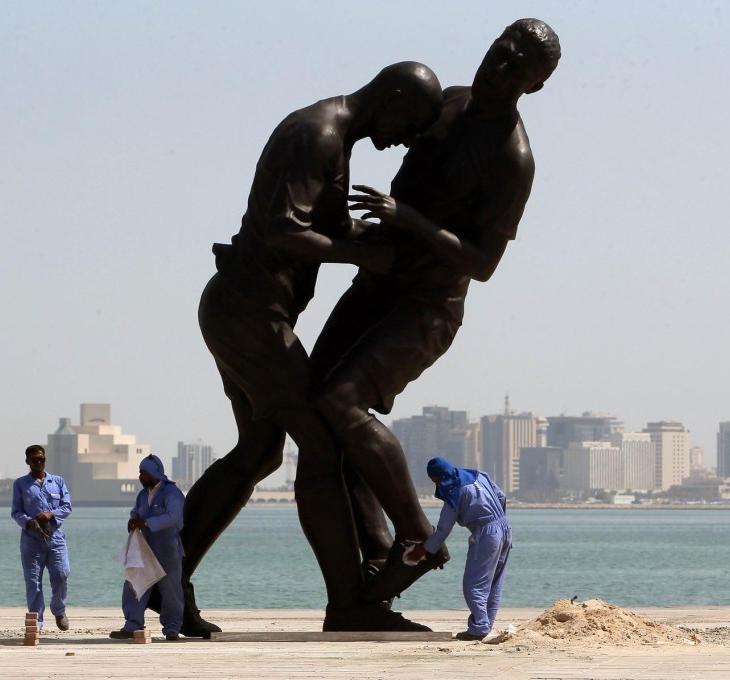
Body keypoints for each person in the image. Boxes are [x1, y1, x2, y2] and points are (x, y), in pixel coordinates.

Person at [178, 61, 444, 634]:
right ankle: (349, 605)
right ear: (393, 96)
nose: (407, 139)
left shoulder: (336, 139)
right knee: (323, 442)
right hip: (250, 316)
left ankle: (166, 581)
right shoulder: (318, 133)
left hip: (244, 313)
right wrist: (365, 256)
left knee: (259, 452)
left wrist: (399, 236)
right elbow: (283, 229)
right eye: (412, 123)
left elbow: (328, 227)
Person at [309, 18, 560, 603]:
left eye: (516, 68)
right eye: (499, 52)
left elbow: (483, 262)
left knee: (340, 401)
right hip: (377, 283)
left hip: (426, 308)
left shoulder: (512, 158)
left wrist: (410, 220)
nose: (498, 68)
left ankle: (417, 536)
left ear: (534, 86)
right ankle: (373, 571)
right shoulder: (448, 101)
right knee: (318, 411)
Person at [408, 457, 511, 641]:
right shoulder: (479, 475)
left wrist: (423, 549)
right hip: (505, 529)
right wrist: (497, 520)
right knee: (494, 583)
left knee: (474, 585)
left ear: (440, 476)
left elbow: (443, 529)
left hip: (486, 534)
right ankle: (485, 625)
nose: (437, 485)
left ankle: (479, 629)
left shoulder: (454, 492)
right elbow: (502, 496)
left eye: (436, 481)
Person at [110, 454, 187, 641]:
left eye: (143, 472)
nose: (140, 476)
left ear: (154, 473)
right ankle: (132, 624)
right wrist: (133, 520)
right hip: (145, 547)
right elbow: (136, 512)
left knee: (171, 590)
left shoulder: (172, 493)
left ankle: (172, 628)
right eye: (140, 472)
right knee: (134, 584)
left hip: (168, 548)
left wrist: (145, 522)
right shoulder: (143, 494)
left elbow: (173, 517)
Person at [11, 444, 72, 631]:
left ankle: (59, 609)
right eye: (35, 460)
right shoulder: (20, 484)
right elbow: (16, 512)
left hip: (55, 538)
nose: (39, 463)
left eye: (42, 459)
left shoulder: (57, 482)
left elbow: (66, 506)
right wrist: (29, 522)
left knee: (61, 574)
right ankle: (36, 621)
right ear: (27, 462)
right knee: (33, 582)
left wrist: (50, 514)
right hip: (31, 540)